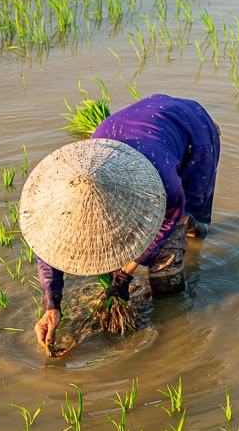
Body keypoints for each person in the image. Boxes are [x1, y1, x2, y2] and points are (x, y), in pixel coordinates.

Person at [18, 94, 220, 348]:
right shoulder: (58, 192)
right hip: (124, 133)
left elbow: (167, 221)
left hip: (194, 130)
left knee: (185, 222)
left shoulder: (164, 182)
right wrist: (51, 305)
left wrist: (124, 275)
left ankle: (173, 326)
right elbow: (50, 250)